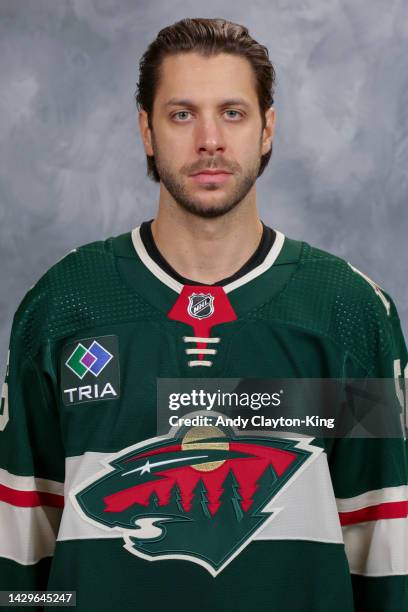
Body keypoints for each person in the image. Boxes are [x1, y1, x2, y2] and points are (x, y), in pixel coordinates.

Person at [0, 17, 407, 612]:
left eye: (234, 113)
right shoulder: (64, 305)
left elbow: (385, 550)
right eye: (182, 114)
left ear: (268, 128)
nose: (210, 140)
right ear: (147, 130)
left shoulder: (347, 312)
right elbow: (22, 564)